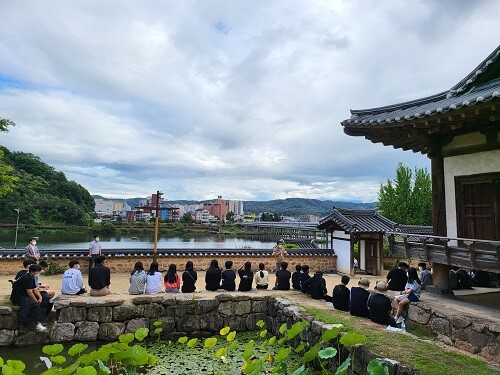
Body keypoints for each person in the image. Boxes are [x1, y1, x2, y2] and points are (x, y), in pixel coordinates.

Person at [10, 264, 48, 333]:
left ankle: (42, 317)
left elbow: (35, 288)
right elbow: (29, 292)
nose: (38, 273)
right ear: (33, 272)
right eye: (38, 272)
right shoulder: (26, 278)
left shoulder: (32, 277)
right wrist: (36, 300)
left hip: (25, 295)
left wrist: (40, 297)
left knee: (45, 298)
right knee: (34, 305)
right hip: (18, 297)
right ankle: (35, 324)